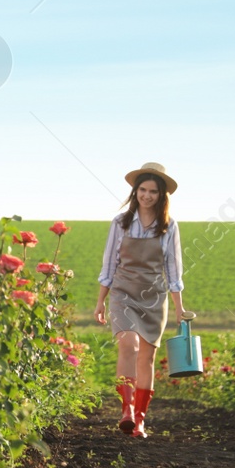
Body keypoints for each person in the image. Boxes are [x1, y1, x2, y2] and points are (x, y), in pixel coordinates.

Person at [93, 162, 192, 438]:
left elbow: (173, 268)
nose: (147, 195)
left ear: (162, 196)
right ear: (135, 191)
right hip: (123, 293)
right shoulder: (120, 222)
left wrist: (179, 306)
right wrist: (101, 301)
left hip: (154, 296)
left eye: (153, 191)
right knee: (129, 344)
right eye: (142, 190)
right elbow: (109, 263)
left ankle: (140, 421)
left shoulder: (169, 226)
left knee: (147, 358)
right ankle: (126, 409)